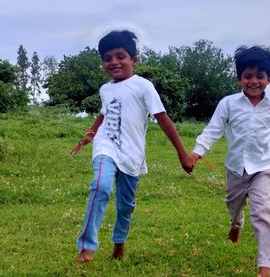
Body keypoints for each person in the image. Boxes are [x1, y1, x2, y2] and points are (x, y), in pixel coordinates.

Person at [70, 29, 193, 263]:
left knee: (125, 206)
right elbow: (103, 113)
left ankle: (119, 243)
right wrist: (90, 135)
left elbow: (163, 118)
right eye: (107, 58)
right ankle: (86, 246)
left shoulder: (143, 86)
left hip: (132, 155)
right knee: (100, 187)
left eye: (120, 56)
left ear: (133, 60)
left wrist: (182, 155)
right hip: (106, 147)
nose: (114, 62)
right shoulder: (105, 89)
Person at [188, 45, 270, 277]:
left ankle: (266, 267)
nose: (254, 81)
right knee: (233, 203)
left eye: (260, 76)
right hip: (236, 168)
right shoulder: (228, 104)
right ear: (239, 78)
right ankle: (236, 223)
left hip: (263, 166)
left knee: (262, 211)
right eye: (248, 76)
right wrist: (196, 153)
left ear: (268, 79)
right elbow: (213, 130)